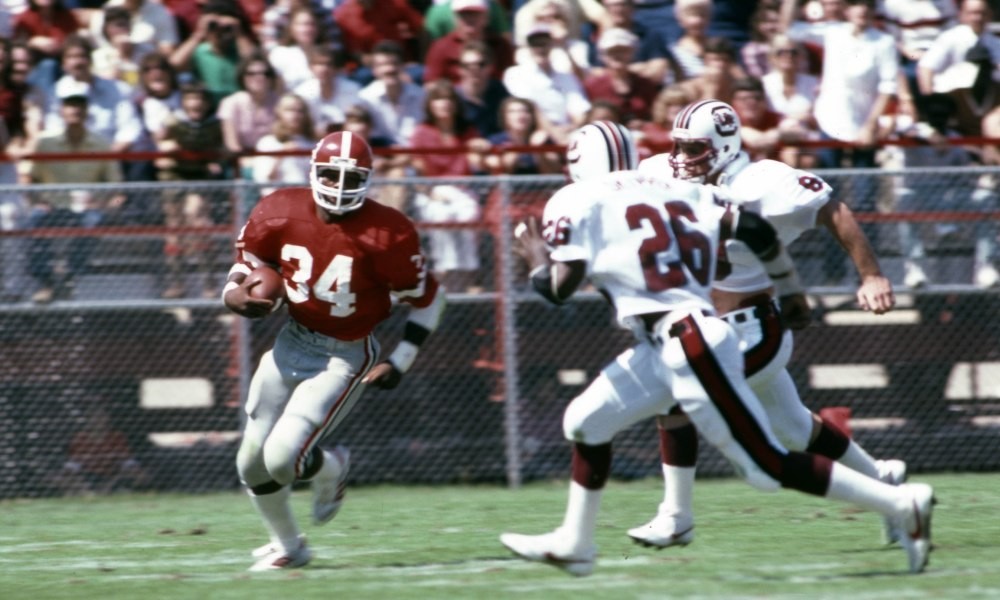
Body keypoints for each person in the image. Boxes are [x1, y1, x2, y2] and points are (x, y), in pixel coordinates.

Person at [500, 119, 934, 576]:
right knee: (585, 422)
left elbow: (559, 288)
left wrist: (534, 261)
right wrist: (792, 292)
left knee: (764, 466)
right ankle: (576, 542)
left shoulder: (579, 197)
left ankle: (901, 503)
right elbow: (758, 233)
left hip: (690, 339)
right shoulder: (675, 189)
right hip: (672, 341)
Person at [632, 99, 905, 550]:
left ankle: (676, 516)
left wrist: (872, 274)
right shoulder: (660, 172)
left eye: (695, 147)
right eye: (678, 145)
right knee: (795, 428)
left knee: (677, 395)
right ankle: (883, 480)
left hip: (753, 326)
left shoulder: (764, 182)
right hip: (705, 327)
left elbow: (834, 211)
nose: (682, 157)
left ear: (723, 145)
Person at [223, 130, 447, 571]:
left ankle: (332, 468)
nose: (339, 187)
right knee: (251, 461)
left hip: (344, 353)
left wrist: (401, 359)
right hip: (293, 339)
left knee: (283, 458)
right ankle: (289, 545)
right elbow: (252, 261)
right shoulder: (279, 208)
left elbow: (431, 298)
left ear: (368, 179)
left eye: (351, 177)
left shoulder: (389, 233)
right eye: (330, 174)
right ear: (313, 171)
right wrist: (232, 293)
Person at [26, 81, 126, 303]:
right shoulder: (45, 143)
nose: (75, 109)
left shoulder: (100, 143)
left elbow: (116, 185)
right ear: (61, 110)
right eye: (70, 104)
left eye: (80, 104)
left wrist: (102, 203)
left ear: (87, 110)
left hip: (86, 209)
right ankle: (46, 281)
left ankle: (69, 275)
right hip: (52, 208)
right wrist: (38, 201)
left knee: (95, 220)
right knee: (34, 220)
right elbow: (30, 178)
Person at [410, 79, 490, 292]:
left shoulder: (467, 131)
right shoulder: (421, 132)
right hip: (433, 191)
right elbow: (417, 174)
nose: (444, 103)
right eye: (438, 99)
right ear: (430, 105)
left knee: (467, 215)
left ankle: (466, 276)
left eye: (448, 99)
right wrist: (431, 193)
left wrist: (480, 149)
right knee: (441, 216)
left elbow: (477, 163)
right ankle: (445, 275)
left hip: (462, 190)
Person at [155, 82, 226, 299]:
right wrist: (165, 148)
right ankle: (177, 282)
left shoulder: (215, 125)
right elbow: (160, 141)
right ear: (184, 102)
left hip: (199, 177)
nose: (196, 104)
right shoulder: (174, 121)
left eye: (200, 100)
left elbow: (224, 148)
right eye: (191, 99)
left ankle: (209, 283)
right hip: (175, 177)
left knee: (199, 221)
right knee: (175, 230)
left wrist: (216, 158)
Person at [501, 23, 590, 143]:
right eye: (535, 44)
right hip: (534, 136)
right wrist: (556, 135)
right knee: (540, 141)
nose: (540, 48)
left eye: (544, 43)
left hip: (569, 133)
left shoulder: (567, 77)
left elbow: (579, 109)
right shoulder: (515, 74)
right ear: (528, 47)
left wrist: (573, 128)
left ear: (551, 45)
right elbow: (531, 108)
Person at [293, 47, 363, 138]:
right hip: (310, 141)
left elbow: (358, 120)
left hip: (346, 139)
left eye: (328, 64)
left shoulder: (352, 89)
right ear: (311, 67)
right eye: (319, 64)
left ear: (336, 68)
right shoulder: (301, 93)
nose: (324, 68)